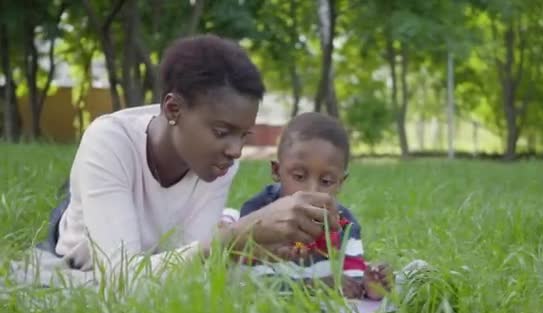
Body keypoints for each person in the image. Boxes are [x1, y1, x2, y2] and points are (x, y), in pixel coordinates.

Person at [35, 35, 341, 283]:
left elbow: (190, 263)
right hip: (81, 252)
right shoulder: (109, 140)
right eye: (222, 131)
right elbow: (120, 282)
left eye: (244, 136)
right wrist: (234, 237)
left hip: (153, 247)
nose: (236, 151)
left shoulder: (218, 163)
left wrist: (247, 246)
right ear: (173, 110)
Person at [238, 112, 392, 300]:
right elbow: (249, 283)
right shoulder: (258, 214)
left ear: (340, 182)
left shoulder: (344, 224)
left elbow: (351, 281)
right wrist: (312, 286)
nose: (312, 191)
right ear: (277, 171)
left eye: (326, 181)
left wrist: (370, 286)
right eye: (299, 177)